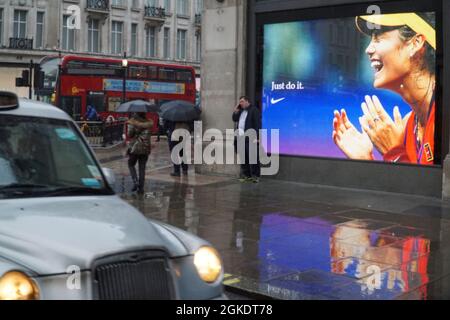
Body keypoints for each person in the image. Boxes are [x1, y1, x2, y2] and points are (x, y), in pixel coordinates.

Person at [332, 13, 436, 165]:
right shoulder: (409, 125)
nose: (368, 49)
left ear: (415, 43)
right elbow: (404, 187)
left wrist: (393, 151)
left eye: (378, 37)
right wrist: (366, 160)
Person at [232, 96, 262, 183]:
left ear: (247, 101)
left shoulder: (254, 110)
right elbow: (234, 119)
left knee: (253, 158)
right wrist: (235, 111)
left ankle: (255, 176)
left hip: (250, 138)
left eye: (242, 101)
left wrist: (257, 137)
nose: (240, 103)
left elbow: (258, 124)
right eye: (240, 102)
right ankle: (246, 175)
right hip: (241, 138)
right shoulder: (240, 111)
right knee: (244, 158)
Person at [127, 113, 153, 194]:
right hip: (145, 148)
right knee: (142, 168)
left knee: (131, 164)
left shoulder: (133, 122)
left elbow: (130, 134)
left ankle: (135, 182)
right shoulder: (149, 123)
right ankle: (141, 188)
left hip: (135, 147)